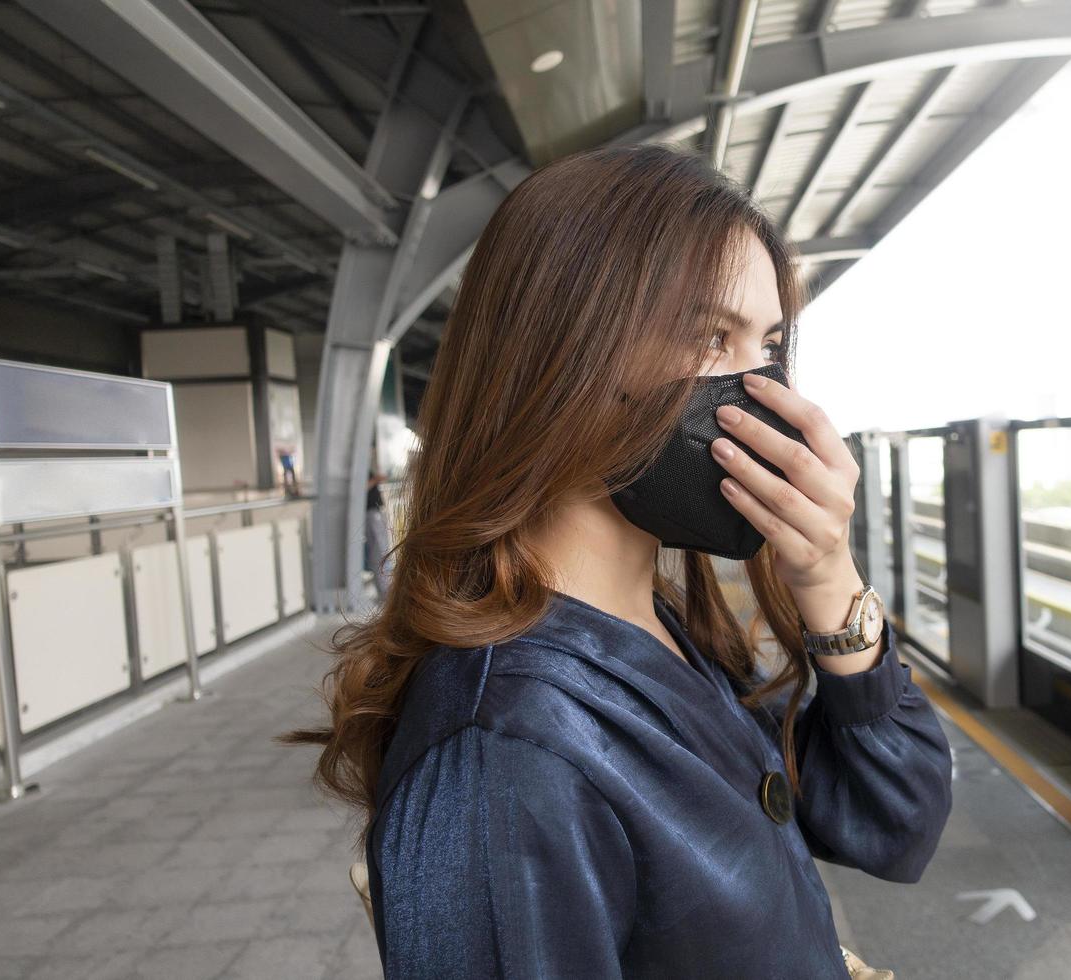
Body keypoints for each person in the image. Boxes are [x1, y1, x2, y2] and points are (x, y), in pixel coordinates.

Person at [282, 144, 952, 978]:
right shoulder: (504, 751)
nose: (765, 391)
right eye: (712, 335)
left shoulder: (662, 619)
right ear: (564, 357)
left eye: (768, 346)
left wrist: (826, 578)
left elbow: (899, 817)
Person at [364, 469, 392, 597]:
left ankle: (386, 588)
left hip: (375, 511)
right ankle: (385, 590)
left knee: (382, 550)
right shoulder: (359, 469)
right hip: (371, 513)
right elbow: (360, 488)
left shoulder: (366, 468)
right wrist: (375, 480)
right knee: (380, 550)